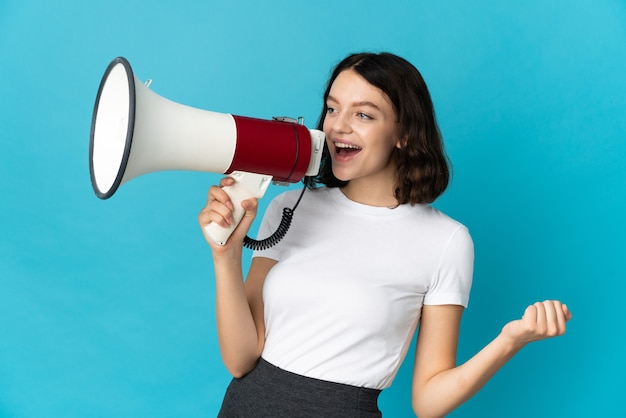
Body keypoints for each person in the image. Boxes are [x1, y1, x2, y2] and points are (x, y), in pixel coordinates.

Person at [198, 52, 572, 418]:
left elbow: (428, 402)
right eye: (332, 108)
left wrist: (510, 341)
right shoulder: (288, 207)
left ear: (404, 134)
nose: (338, 126)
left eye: (363, 114)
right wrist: (225, 256)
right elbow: (240, 359)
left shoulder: (446, 240)